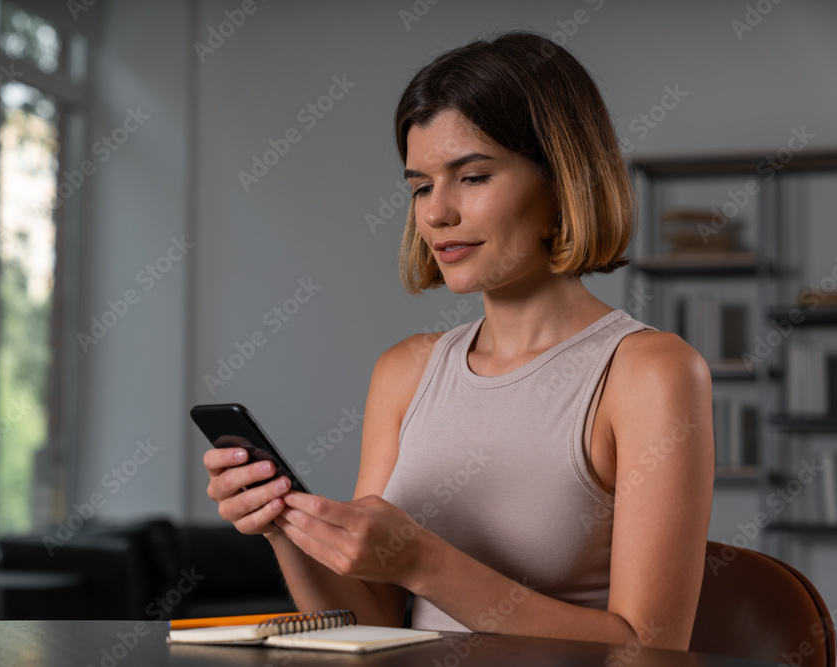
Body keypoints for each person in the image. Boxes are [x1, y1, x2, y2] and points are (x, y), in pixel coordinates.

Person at [204, 30, 713, 651]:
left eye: (471, 177)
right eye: (421, 186)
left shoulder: (650, 374)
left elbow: (650, 650)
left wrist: (425, 562)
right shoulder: (404, 372)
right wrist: (284, 525)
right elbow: (375, 624)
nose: (436, 214)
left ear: (562, 182)